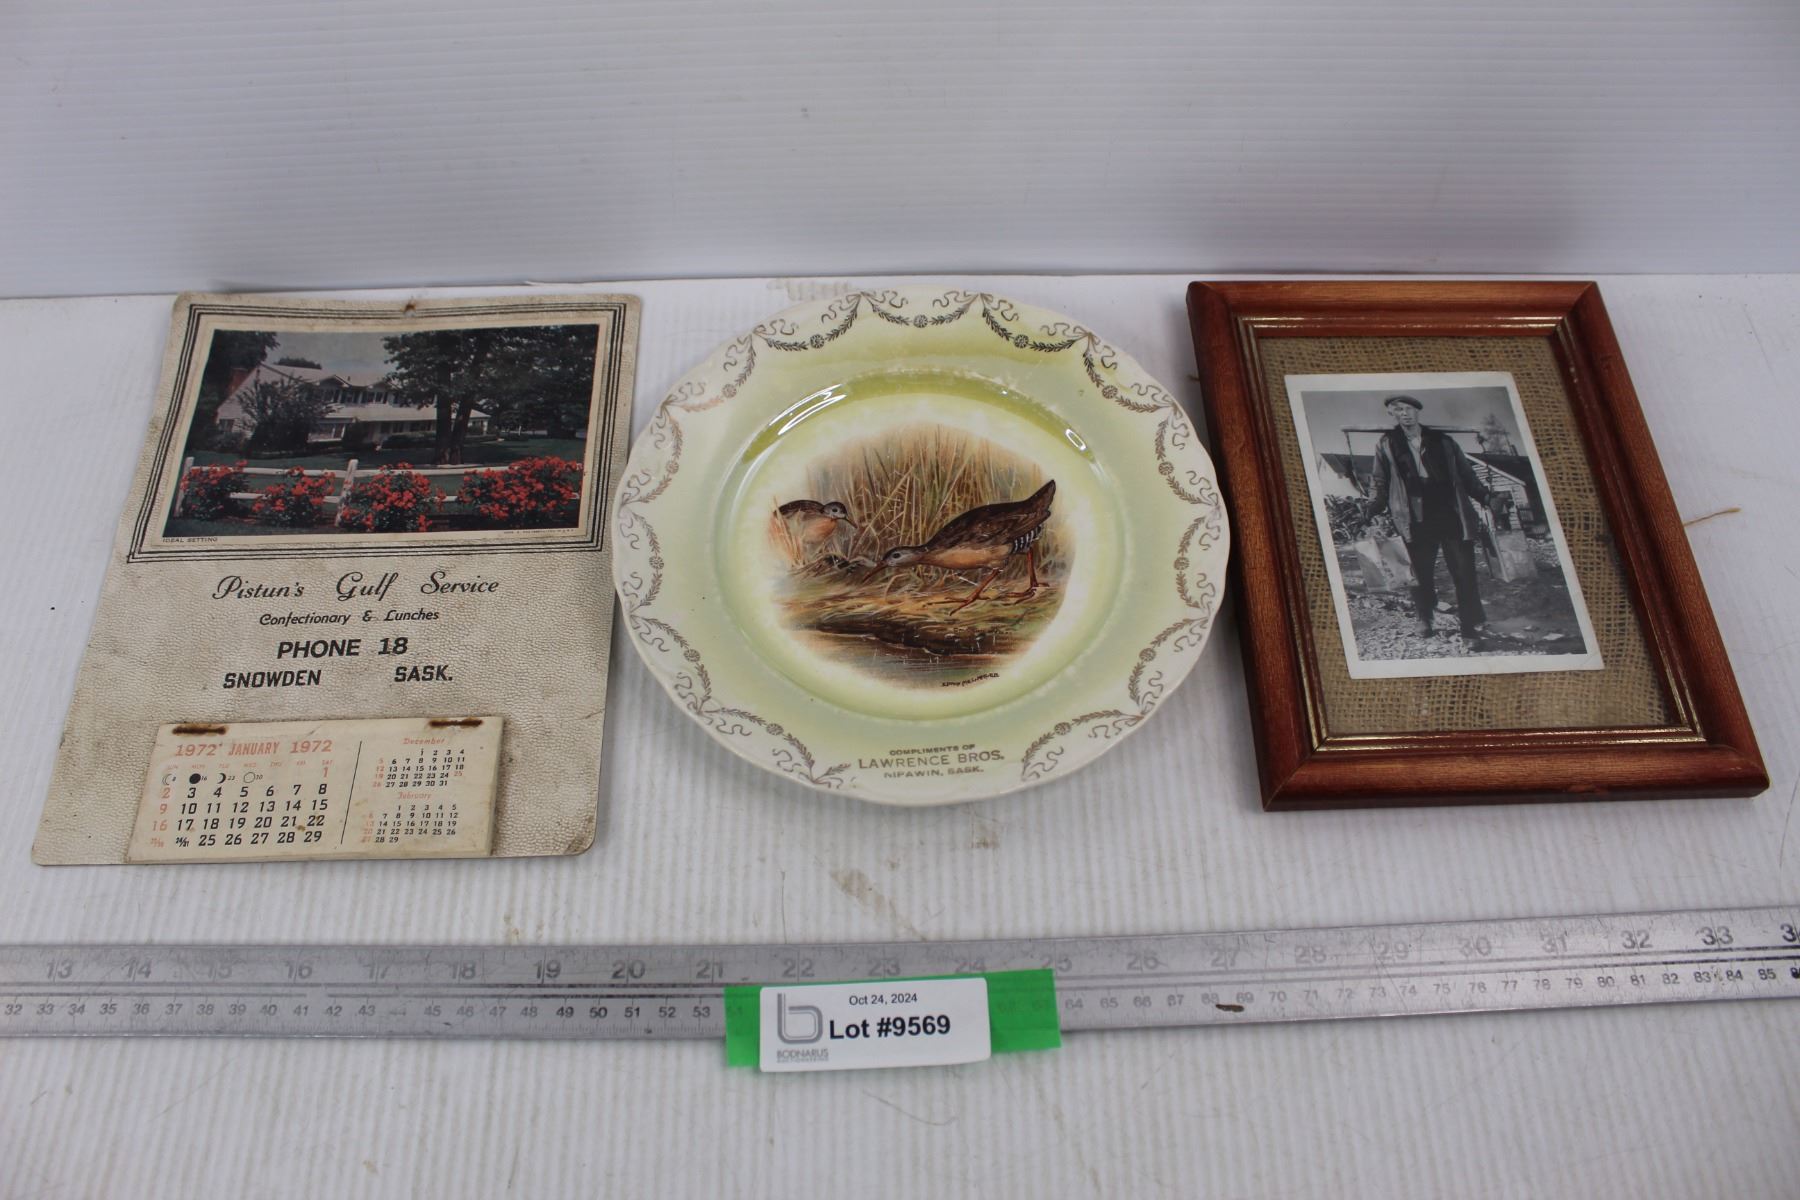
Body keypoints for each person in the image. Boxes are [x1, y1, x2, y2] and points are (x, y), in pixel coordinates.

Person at [1363, 394, 1495, 650]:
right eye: (1398, 410)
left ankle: (1469, 628)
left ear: (1417, 412)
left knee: (1464, 572)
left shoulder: (1443, 441)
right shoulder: (1387, 444)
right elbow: (1379, 480)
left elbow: (1467, 475)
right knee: (1419, 573)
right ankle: (1424, 617)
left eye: (1409, 408)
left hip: (1450, 512)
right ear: (1392, 414)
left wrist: (1486, 496)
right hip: (1413, 516)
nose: (1405, 413)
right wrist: (1373, 505)